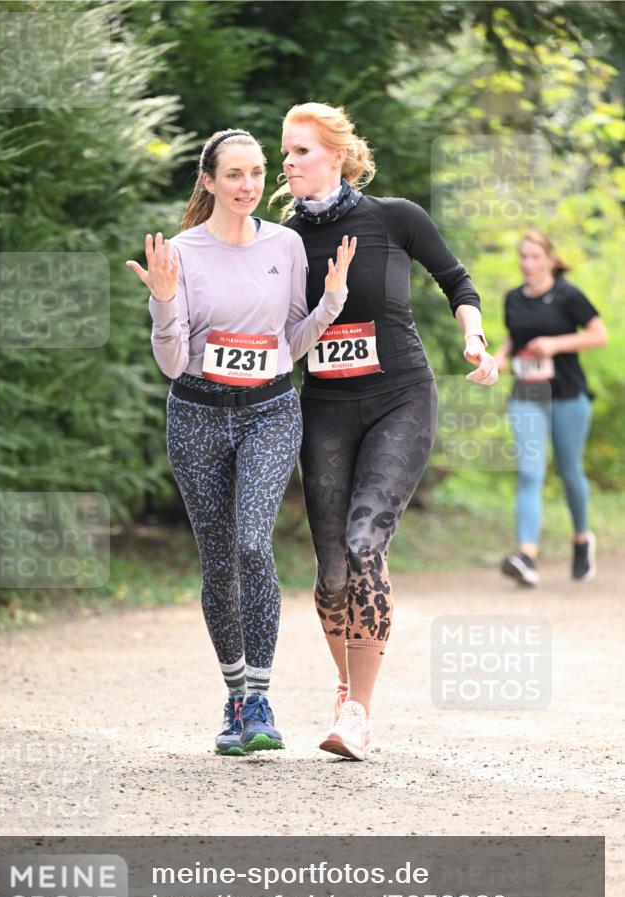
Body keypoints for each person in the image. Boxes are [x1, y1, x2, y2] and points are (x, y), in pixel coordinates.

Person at [274, 102, 498, 761]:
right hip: (325, 407)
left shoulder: (394, 218)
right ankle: (344, 682)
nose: (287, 162)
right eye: (283, 152)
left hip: (400, 396)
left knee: (365, 538)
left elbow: (455, 281)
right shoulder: (283, 240)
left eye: (300, 151)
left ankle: (358, 713)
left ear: (336, 158)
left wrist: (475, 341)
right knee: (332, 569)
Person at [126, 128, 355, 755]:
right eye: (233, 175)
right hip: (197, 413)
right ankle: (232, 697)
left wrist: (331, 303)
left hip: (269, 412)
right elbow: (173, 363)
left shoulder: (284, 244)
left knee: (253, 544)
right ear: (209, 181)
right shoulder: (181, 252)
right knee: (219, 561)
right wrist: (164, 302)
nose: (248, 185)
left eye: (256, 173)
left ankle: (260, 696)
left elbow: (291, 341)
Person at [494, 228, 608, 586]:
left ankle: (581, 538)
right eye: (523, 257)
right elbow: (516, 336)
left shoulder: (568, 295)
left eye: (535, 257)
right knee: (530, 472)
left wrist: (555, 344)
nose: (528, 264)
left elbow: (598, 335)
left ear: (550, 259)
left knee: (570, 472)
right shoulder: (513, 298)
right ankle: (527, 555)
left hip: (568, 394)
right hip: (527, 393)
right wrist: (498, 357)